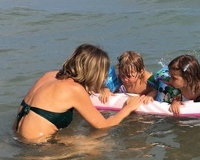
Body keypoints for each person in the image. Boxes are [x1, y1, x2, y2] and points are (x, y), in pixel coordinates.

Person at [14, 44, 145, 142]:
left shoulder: (50, 75)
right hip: (38, 146)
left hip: (17, 136)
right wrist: (127, 108)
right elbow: (103, 126)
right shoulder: (75, 89)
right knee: (100, 145)